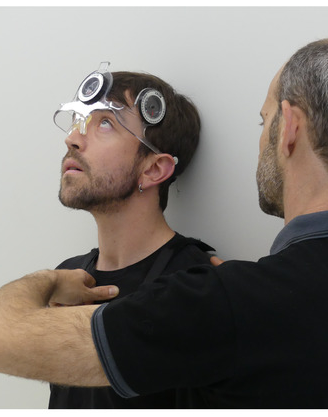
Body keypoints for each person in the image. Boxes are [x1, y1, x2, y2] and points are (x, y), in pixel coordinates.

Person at [0, 37, 328, 408]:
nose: (74, 138)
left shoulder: (229, 300)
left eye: (264, 121)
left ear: (289, 128)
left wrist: (43, 283)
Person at [38, 62, 215, 408]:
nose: (72, 138)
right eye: (79, 121)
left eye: (105, 123)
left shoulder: (194, 285)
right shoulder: (68, 279)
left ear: (154, 169)